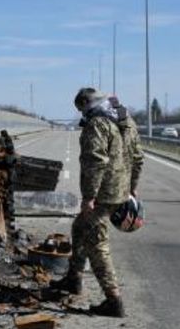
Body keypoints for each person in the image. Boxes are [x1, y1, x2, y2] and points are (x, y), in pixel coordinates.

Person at [49, 87, 129, 317]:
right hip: (114, 190)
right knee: (79, 228)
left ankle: (114, 300)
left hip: (102, 194)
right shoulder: (112, 119)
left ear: (85, 104)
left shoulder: (96, 124)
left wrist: (89, 197)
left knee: (97, 244)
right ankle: (73, 279)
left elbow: (95, 161)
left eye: (80, 108)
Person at [109, 95, 145, 198]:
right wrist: (133, 187)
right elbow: (138, 158)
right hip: (125, 184)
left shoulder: (102, 122)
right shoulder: (131, 124)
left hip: (106, 186)